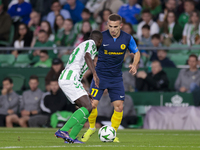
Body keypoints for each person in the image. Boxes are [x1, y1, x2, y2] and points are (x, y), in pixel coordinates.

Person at [81, 14, 140, 143]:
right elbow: (88, 53)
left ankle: (112, 133)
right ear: (107, 24)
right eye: (110, 26)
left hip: (116, 78)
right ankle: (91, 128)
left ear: (121, 25)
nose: (112, 29)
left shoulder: (127, 38)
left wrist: (134, 65)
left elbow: (136, 52)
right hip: (100, 76)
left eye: (115, 27)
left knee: (119, 107)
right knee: (92, 105)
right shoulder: (101, 37)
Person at [54, 30, 102, 144]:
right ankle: (63, 130)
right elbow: (87, 56)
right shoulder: (91, 44)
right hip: (70, 77)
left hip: (70, 78)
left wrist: (85, 92)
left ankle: (71, 137)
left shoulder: (84, 44)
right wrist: (94, 74)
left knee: (87, 108)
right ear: (99, 41)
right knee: (87, 106)